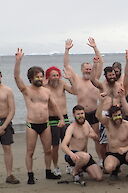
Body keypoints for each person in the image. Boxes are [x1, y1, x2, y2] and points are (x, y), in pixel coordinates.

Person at [14, 48, 65, 184]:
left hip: (45, 124)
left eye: (41, 76)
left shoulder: (46, 91)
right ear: (31, 78)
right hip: (32, 125)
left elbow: (54, 106)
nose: (39, 78)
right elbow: (16, 78)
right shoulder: (26, 90)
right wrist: (18, 61)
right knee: (30, 152)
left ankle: (48, 172)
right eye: (37, 76)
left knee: (48, 150)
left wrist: (61, 118)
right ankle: (30, 176)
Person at [64, 38, 103, 164]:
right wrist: (67, 50)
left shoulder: (95, 79)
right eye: (86, 68)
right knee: (82, 140)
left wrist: (95, 48)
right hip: (81, 114)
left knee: (96, 139)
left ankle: (101, 160)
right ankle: (82, 161)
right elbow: (66, 65)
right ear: (81, 70)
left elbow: (100, 62)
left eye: (90, 68)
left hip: (94, 113)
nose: (88, 70)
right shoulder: (76, 79)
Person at [96, 99, 128, 182]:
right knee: (108, 167)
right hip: (114, 154)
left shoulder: (127, 125)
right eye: (115, 116)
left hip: (127, 154)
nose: (118, 117)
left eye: (119, 115)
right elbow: (98, 115)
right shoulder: (108, 123)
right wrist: (102, 102)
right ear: (111, 117)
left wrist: (127, 148)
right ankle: (115, 171)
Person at [44, 66, 77, 176]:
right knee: (55, 146)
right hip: (52, 119)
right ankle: (56, 167)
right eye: (53, 75)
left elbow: (75, 91)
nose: (55, 77)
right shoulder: (45, 87)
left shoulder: (62, 84)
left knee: (68, 144)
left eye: (57, 75)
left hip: (64, 117)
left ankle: (70, 165)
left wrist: (70, 79)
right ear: (48, 76)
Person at [61, 105, 103, 181]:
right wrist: (71, 154)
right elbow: (63, 145)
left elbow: (97, 138)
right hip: (73, 155)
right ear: (74, 115)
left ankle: (81, 168)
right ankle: (75, 171)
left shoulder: (86, 124)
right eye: (78, 114)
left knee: (98, 177)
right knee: (85, 156)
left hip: (84, 157)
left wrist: (93, 136)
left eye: (82, 113)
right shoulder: (71, 127)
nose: (81, 116)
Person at [0, 71, 19, 184]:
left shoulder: (7, 90)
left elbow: (12, 110)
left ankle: (9, 175)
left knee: (7, 149)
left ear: (1, 76)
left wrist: (4, 126)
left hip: (5, 121)